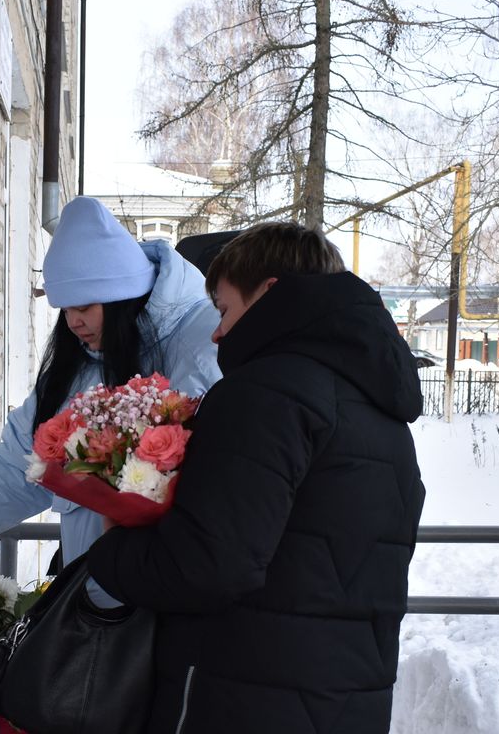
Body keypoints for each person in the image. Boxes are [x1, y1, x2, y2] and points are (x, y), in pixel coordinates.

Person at [87, 222, 426, 734]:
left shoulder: (264, 393)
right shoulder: (381, 409)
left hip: (241, 699)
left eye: (223, 309)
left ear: (269, 291)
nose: (217, 332)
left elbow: (208, 567)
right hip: (345, 703)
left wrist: (111, 546)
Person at [0, 196, 221, 591]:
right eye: (63, 309)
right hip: (91, 602)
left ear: (122, 295)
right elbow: (17, 464)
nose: (73, 323)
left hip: (164, 603)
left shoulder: (201, 344)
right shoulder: (82, 363)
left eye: (84, 306)